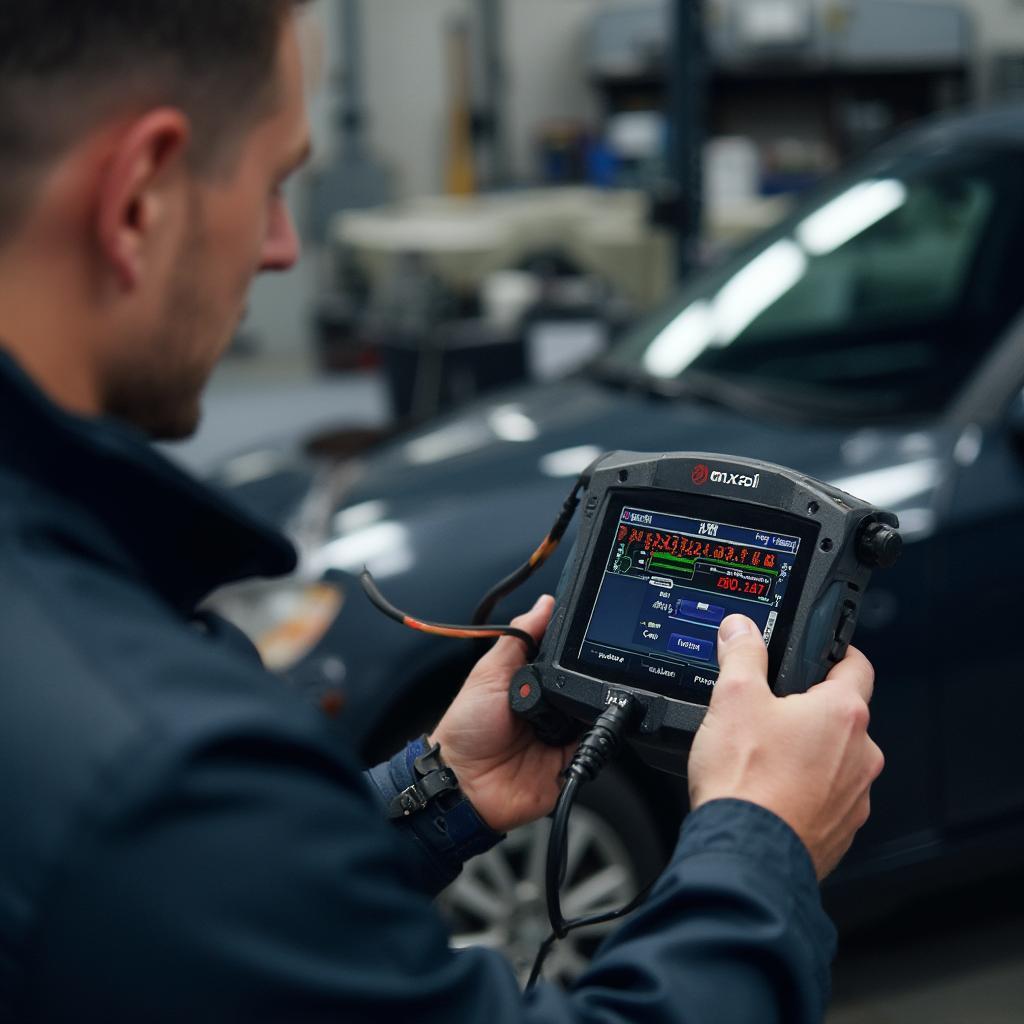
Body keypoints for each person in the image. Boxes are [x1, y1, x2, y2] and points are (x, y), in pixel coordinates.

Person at [0, 3, 884, 1021]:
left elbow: (207, 927)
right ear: (141, 198)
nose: (284, 248)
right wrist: (760, 838)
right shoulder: (150, 763)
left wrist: (441, 790)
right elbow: (176, 861)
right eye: (276, 183)